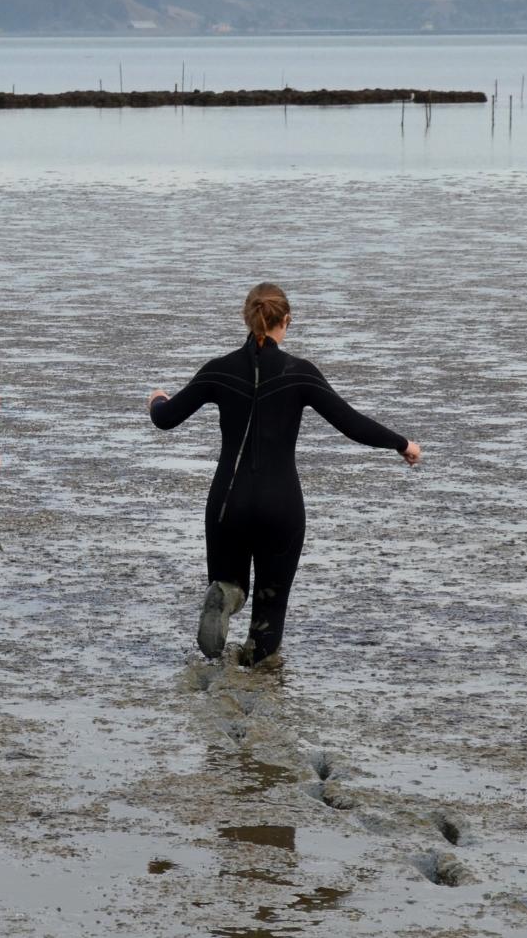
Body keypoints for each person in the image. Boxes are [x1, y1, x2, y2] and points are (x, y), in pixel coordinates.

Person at [147, 284, 419, 667]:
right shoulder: (300, 374)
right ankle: (258, 696)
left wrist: (157, 398)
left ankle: (226, 595)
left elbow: (166, 419)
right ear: (286, 321)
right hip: (281, 508)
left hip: (229, 505)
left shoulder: (219, 370)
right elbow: (351, 423)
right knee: (268, 619)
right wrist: (401, 443)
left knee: (230, 583)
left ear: (246, 317)